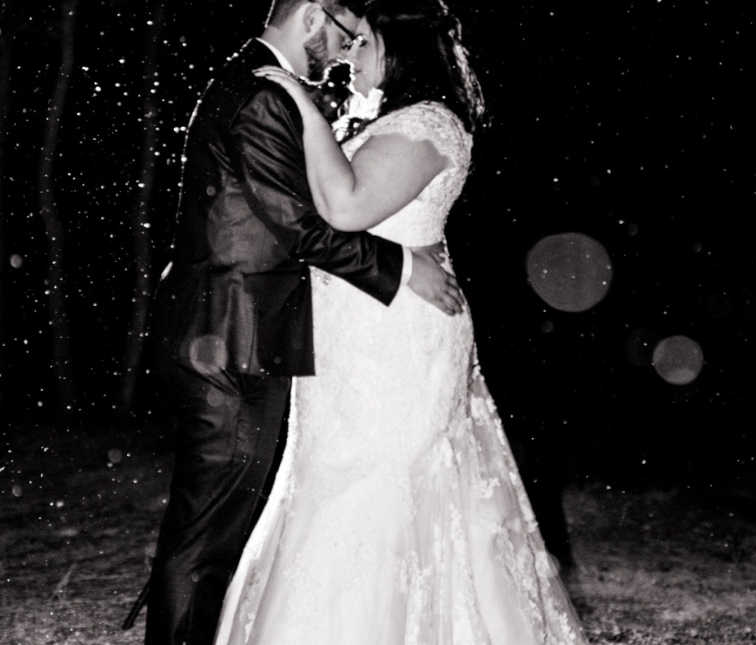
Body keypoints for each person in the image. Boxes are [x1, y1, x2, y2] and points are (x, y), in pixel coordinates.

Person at [213, 0, 589, 643]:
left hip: (395, 339)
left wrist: (298, 103)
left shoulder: (429, 125)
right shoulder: (390, 121)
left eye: (363, 43)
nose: (348, 54)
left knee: (379, 485)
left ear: (401, 53)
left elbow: (346, 205)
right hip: (354, 332)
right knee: (332, 474)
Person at [121, 1, 463, 643]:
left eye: (358, 43)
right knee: (209, 534)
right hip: (230, 335)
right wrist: (401, 270)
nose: (341, 54)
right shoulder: (263, 94)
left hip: (241, 330)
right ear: (312, 17)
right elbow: (304, 226)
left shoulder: (253, 82)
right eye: (341, 36)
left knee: (217, 525)